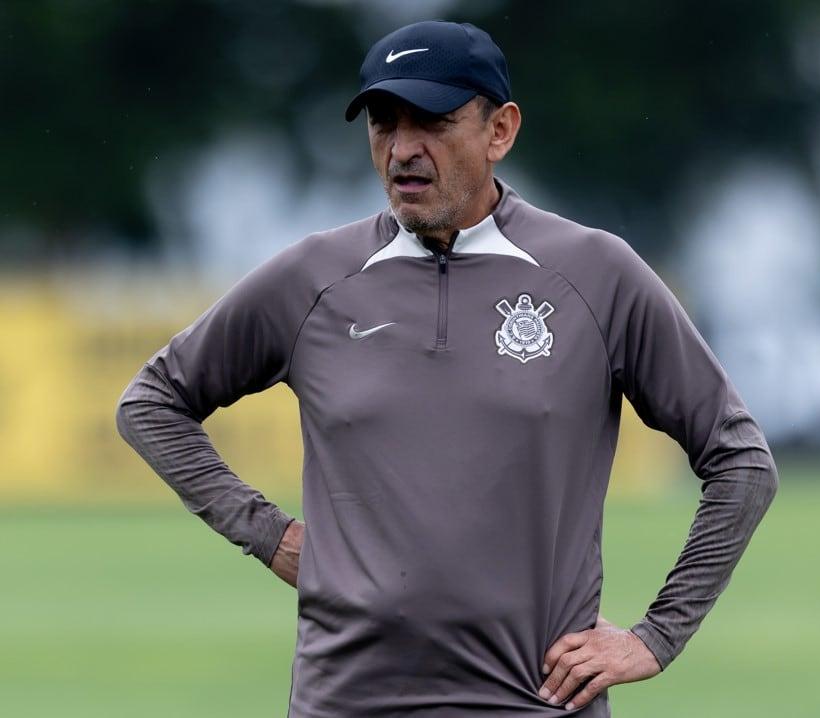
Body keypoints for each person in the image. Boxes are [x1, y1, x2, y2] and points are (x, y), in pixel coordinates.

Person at [115, 19, 779, 717]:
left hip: (534, 704)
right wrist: (267, 534)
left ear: (500, 131)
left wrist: (656, 635)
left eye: (431, 121)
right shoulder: (313, 278)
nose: (403, 148)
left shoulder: (595, 273)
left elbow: (738, 459)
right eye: (383, 123)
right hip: (347, 702)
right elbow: (152, 402)